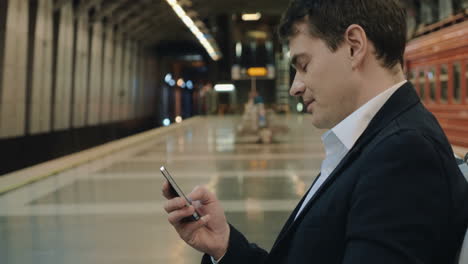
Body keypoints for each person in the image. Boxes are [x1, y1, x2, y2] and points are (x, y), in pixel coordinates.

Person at [162, 0, 468, 263]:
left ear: (354, 46)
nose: (295, 86)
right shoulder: (376, 143)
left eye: (303, 65)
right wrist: (226, 247)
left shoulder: (404, 155)